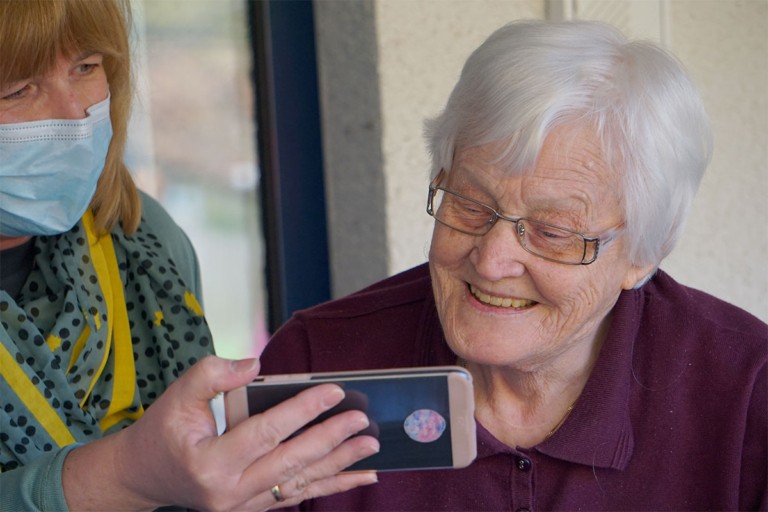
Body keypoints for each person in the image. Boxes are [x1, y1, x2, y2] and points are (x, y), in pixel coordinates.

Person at [259, 20, 767, 510]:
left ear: (642, 256)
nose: (492, 259)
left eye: (553, 232)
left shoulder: (747, 394)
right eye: (470, 205)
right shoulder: (318, 364)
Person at [0, 0, 379, 510]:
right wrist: (125, 475)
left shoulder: (140, 237)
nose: (75, 114)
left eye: (86, 67)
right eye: (18, 88)